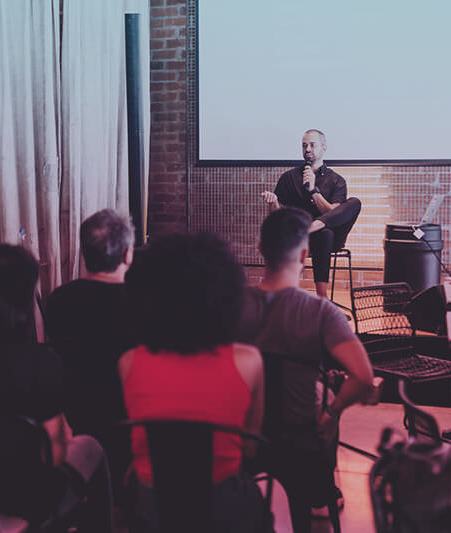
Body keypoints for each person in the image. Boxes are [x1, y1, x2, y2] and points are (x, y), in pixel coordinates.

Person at [0, 244, 113, 531]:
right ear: (25, 297)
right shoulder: (42, 363)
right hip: (25, 502)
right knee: (90, 447)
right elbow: (55, 454)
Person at [236, 207, 374, 533]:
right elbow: (364, 378)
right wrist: (333, 413)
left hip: (243, 437)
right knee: (328, 401)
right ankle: (321, 492)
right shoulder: (321, 312)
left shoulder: (233, 305)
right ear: (304, 254)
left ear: (261, 249)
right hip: (300, 441)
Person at [120, 232, 266, 533]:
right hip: (223, 508)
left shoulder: (129, 362)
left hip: (152, 509)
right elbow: (250, 450)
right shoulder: (249, 361)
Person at [45, 209, 135, 498]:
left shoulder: (58, 300)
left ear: (84, 253)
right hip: (129, 429)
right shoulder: (142, 304)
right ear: (128, 254)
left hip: (75, 421)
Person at [260, 129, 361, 298]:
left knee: (353, 204)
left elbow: (335, 213)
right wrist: (274, 203)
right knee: (325, 233)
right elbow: (277, 217)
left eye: (312, 145)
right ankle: (323, 298)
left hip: (332, 240)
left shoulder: (337, 180)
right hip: (300, 239)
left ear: (324, 148)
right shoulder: (289, 177)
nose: (307, 149)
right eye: (304, 145)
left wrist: (314, 191)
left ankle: (310, 227)